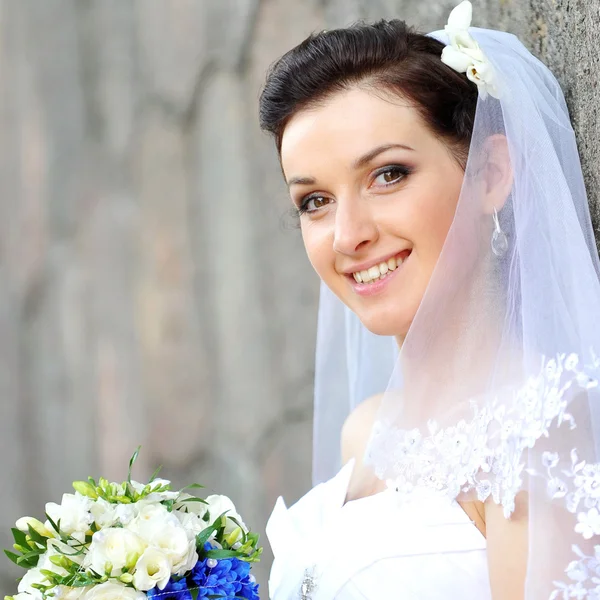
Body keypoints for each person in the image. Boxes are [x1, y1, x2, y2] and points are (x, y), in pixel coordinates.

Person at [259, 2, 600, 598]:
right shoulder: (363, 433)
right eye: (314, 201)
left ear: (491, 174)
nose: (347, 235)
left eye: (387, 174)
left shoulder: (537, 435)